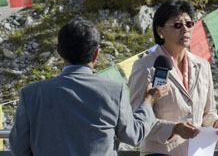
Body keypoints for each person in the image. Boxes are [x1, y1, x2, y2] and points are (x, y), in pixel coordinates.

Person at [9, 17, 170, 156]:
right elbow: (133, 135)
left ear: (59, 51)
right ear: (96, 54)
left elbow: (19, 148)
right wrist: (149, 100)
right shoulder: (114, 91)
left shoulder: (30, 94)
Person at [129, 0, 218, 156]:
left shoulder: (203, 65)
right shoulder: (144, 67)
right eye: (177, 25)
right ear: (160, 30)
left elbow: (208, 113)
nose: (185, 30)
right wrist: (174, 129)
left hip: (197, 152)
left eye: (189, 24)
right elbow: (137, 120)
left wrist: (216, 123)